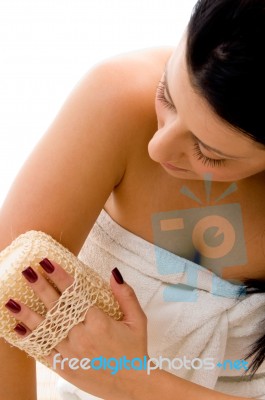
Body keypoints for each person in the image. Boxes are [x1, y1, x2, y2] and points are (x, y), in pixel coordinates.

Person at [1, 0, 265, 398]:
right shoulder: (119, 100)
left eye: (209, 152)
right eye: (168, 95)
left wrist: (133, 382)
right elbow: (5, 305)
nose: (158, 149)